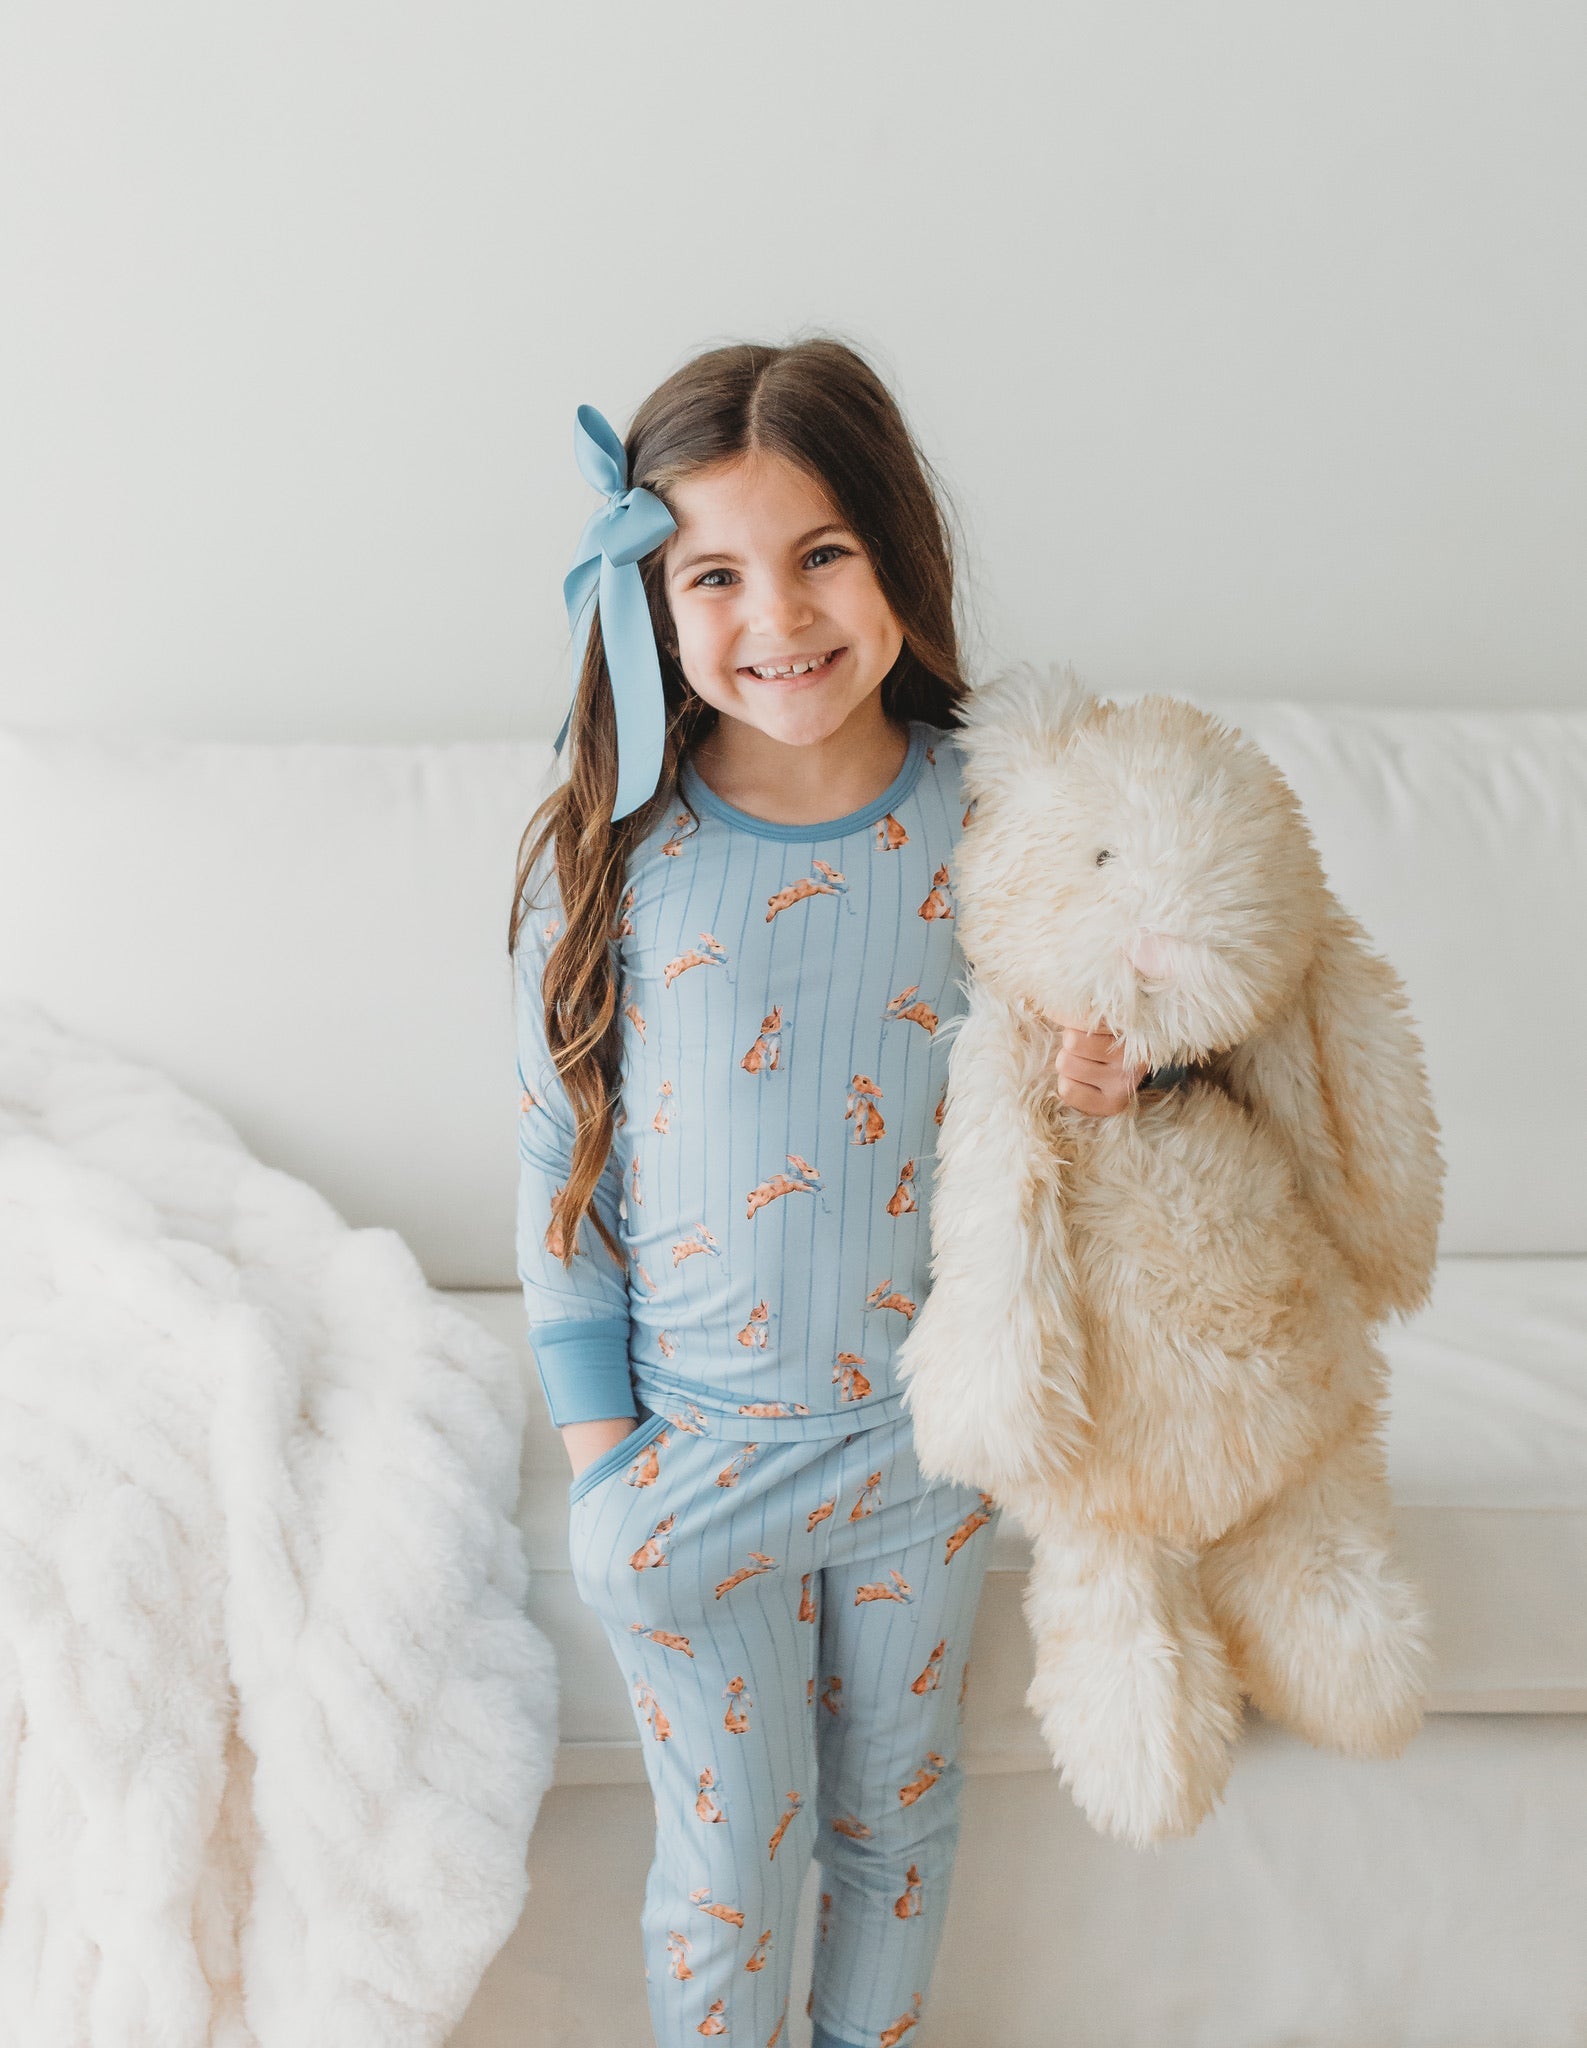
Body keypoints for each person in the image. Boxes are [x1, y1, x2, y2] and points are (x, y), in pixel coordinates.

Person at [509, 338, 1149, 2048]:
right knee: (731, 1880)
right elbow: (561, 1174)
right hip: (691, 1466)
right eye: (714, 573)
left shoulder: (1000, 818)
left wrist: (1114, 1082)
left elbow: (1071, 1112)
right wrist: (606, 1463)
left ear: (897, 554)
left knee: (897, 1831)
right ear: (651, 600)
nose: (777, 615)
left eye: (821, 554)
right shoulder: (611, 852)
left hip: (920, 1448)